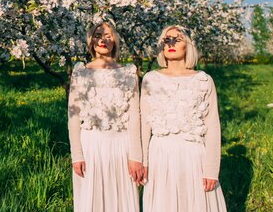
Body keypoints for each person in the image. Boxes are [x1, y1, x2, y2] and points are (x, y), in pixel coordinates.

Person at [141, 25, 227, 212]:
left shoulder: (204, 80)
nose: (171, 43)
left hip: (193, 154)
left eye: (176, 39)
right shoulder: (150, 79)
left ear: (187, 45)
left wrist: (212, 170)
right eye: (166, 40)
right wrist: (144, 161)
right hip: (160, 154)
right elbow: (144, 125)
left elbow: (212, 126)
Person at [68, 19, 143, 212]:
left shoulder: (128, 73)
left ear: (115, 41)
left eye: (108, 36)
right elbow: (73, 116)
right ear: (91, 41)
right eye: (98, 35)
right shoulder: (81, 72)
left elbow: (135, 115)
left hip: (121, 145)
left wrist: (136, 155)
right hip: (91, 145)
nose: (103, 40)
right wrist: (77, 155)